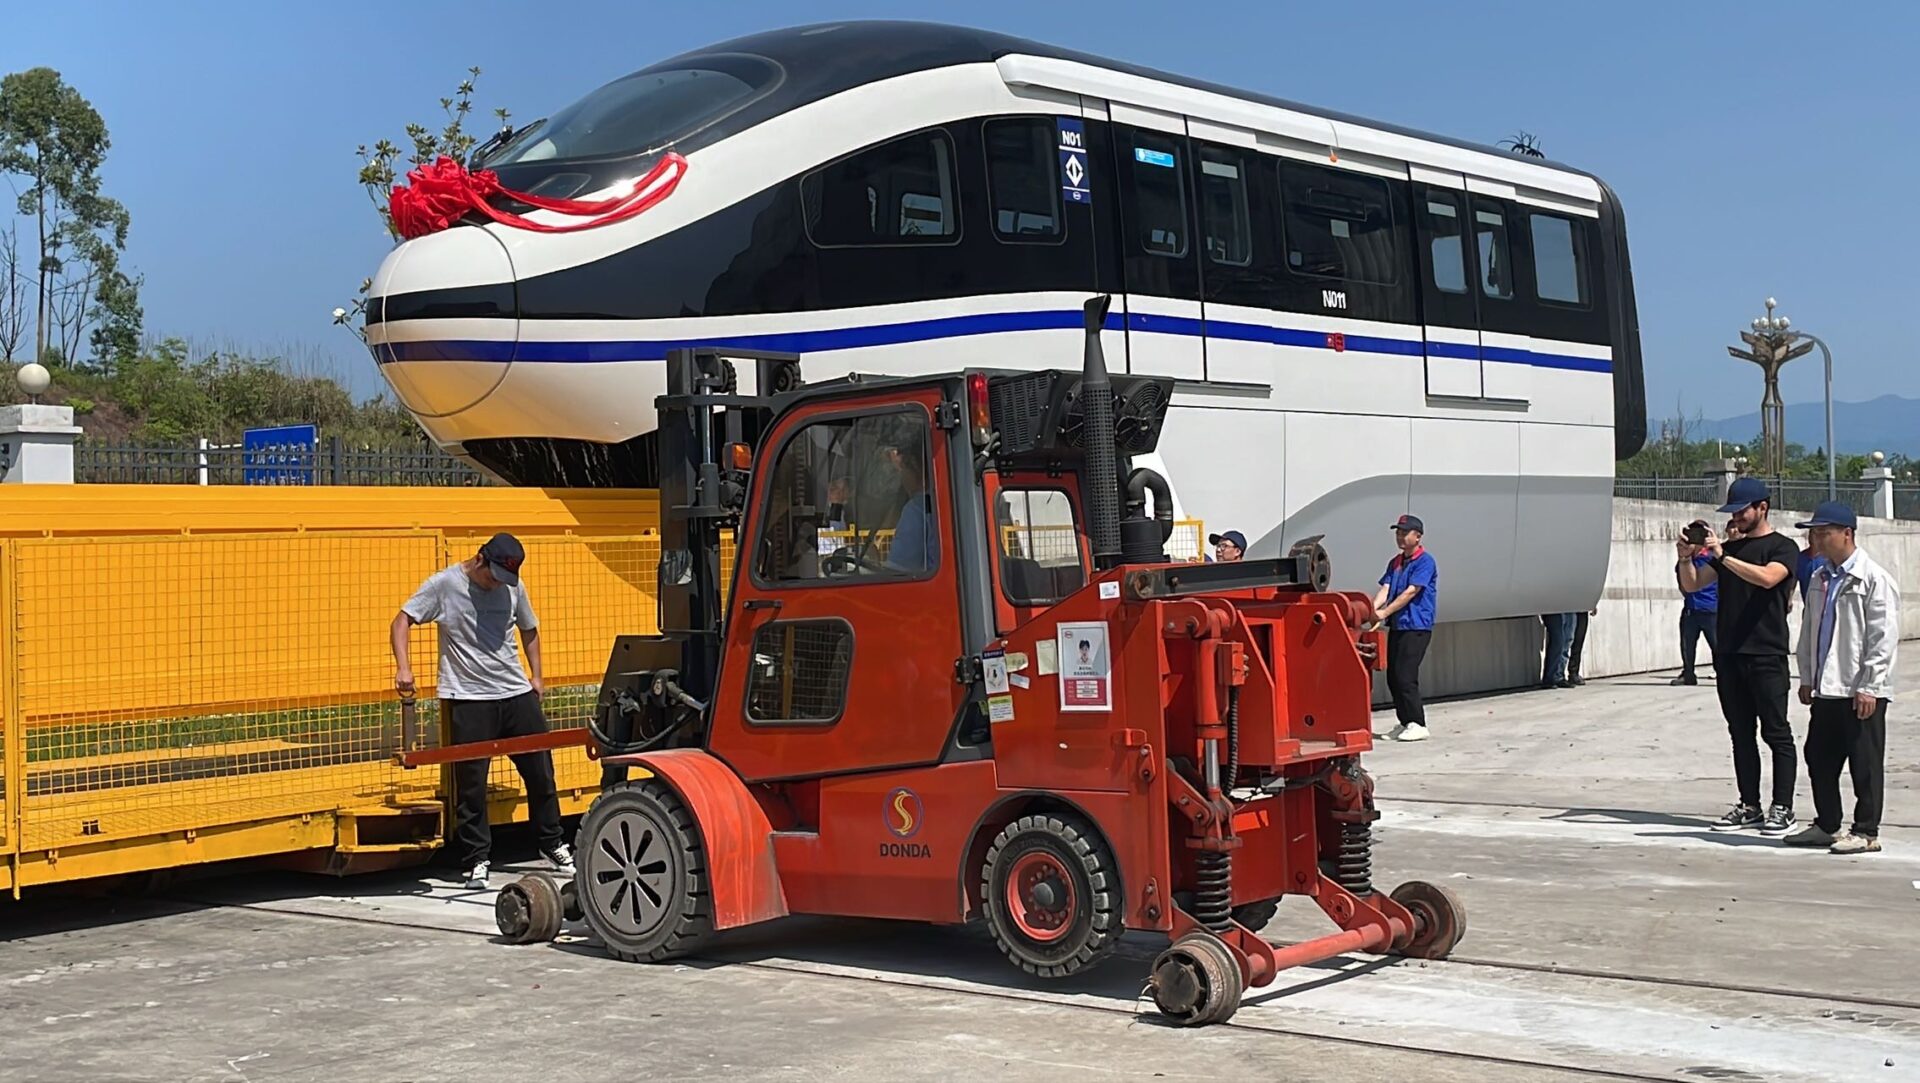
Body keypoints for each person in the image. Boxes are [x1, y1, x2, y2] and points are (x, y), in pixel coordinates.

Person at [391, 533, 573, 889]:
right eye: (494, 577)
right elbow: (401, 621)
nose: (497, 585)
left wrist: (537, 676)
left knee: (541, 772)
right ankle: (477, 859)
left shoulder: (511, 587)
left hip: (515, 691)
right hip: (469, 697)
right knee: (471, 784)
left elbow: (529, 628)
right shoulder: (444, 584)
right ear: (480, 560)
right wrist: (403, 667)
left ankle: (552, 842)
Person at [1677, 478, 1802, 836]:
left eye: (1742, 510)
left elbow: (1767, 579)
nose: (1737, 517)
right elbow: (1692, 584)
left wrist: (1723, 555)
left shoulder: (1782, 547)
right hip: (1729, 654)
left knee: (1776, 733)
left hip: (1766, 652)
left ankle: (1783, 807)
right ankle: (1750, 805)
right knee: (1740, 733)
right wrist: (1686, 558)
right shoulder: (1730, 549)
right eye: (1732, 511)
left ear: (1762, 507)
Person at [1785, 502, 1898, 855]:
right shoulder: (1819, 578)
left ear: (1847, 533)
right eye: (1813, 532)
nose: (1816, 538)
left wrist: (1870, 685)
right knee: (1819, 757)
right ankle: (1827, 824)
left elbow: (1882, 638)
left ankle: (1866, 830)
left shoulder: (1874, 579)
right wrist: (1807, 676)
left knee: (1864, 762)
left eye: (1823, 532)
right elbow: (1810, 632)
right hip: (1827, 688)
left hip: (1859, 689)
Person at [1372, 514, 1438, 742]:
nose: (1400, 537)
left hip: (1417, 626)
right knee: (1393, 676)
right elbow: (1386, 589)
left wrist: (1384, 612)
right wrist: (1371, 610)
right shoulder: (1396, 562)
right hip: (1399, 625)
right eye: (1397, 532)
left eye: (1404, 532)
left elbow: (1410, 592)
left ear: (1417, 536)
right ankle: (1405, 722)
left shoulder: (1425, 561)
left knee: (1406, 675)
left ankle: (1418, 723)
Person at [1674, 520, 1719, 686]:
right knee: (1687, 644)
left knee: (1717, 646)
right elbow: (1682, 583)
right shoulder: (1685, 559)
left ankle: (1723, 672)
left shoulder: (1712, 557)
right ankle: (1688, 673)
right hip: (1691, 608)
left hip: (1711, 609)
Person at [885, 442, 939, 573]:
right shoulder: (941, 503)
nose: (902, 478)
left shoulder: (916, 509)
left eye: (903, 470)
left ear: (915, 469)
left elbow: (899, 569)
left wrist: (872, 560)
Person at [1540, 613, 1575, 689]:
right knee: (1558, 640)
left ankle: (1559, 675)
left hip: (1570, 607)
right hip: (1553, 608)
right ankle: (1550, 677)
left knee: (1568, 638)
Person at [1567, 610, 1593, 686]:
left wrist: (1592, 605)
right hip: (1570, 609)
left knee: (1578, 641)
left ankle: (1574, 672)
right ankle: (1561, 673)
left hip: (1582, 610)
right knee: (1567, 641)